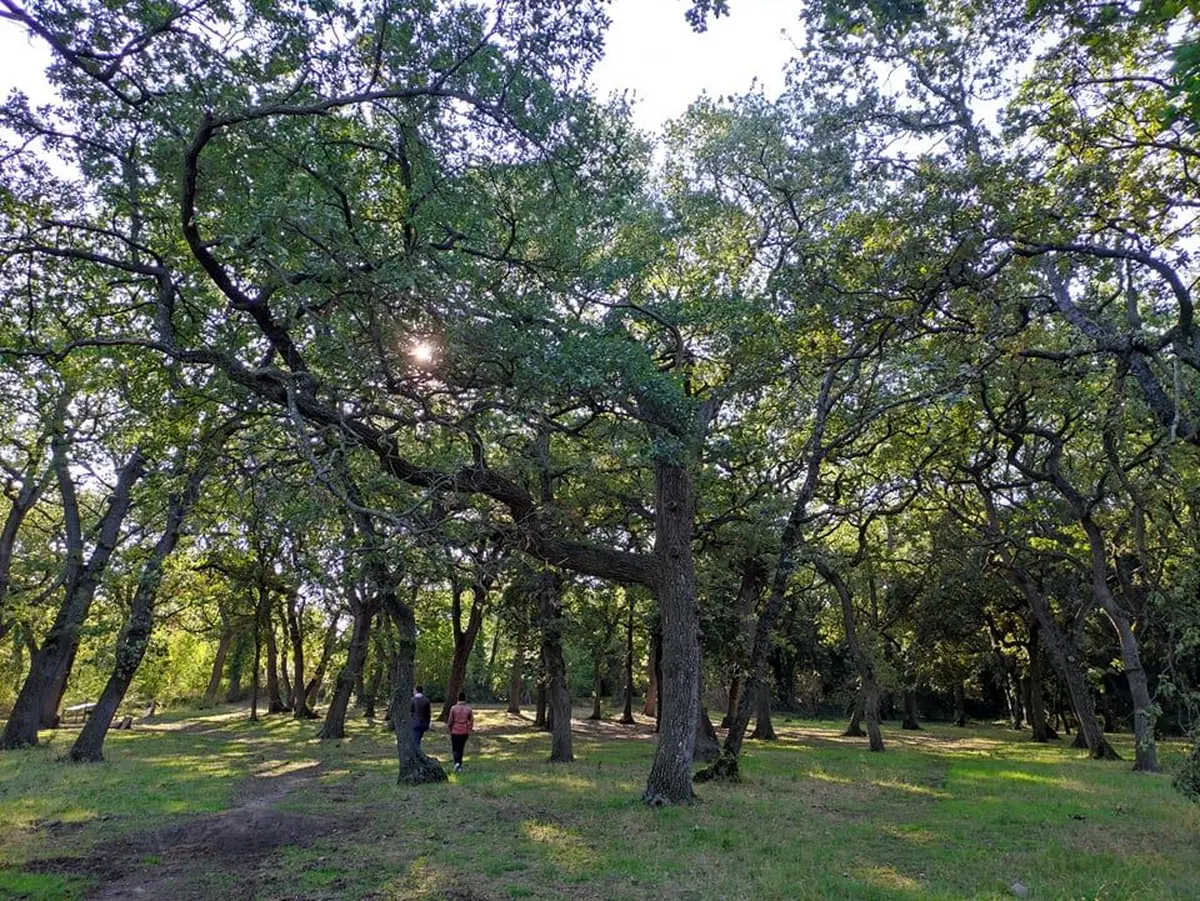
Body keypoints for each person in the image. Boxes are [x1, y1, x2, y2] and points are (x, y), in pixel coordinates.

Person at [447, 690, 474, 772]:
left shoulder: (453, 708)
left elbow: (450, 720)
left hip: (455, 730)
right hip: (464, 730)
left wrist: (449, 728)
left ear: (458, 699)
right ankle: (459, 764)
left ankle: (456, 763)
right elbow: (471, 720)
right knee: (461, 748)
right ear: (465, 699)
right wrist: (469, 729)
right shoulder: (468, 709)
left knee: (455, 748)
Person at [410, 685, 432, 749]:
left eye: (414, 690)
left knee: (415, 740)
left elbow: (411, 711)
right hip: (424, 723)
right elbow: (428, 714)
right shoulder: (426, 700)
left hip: (415, 723)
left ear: (416, 691)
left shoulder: (412, 700)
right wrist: (428, 723)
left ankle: (416, 753)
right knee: (418, 738)